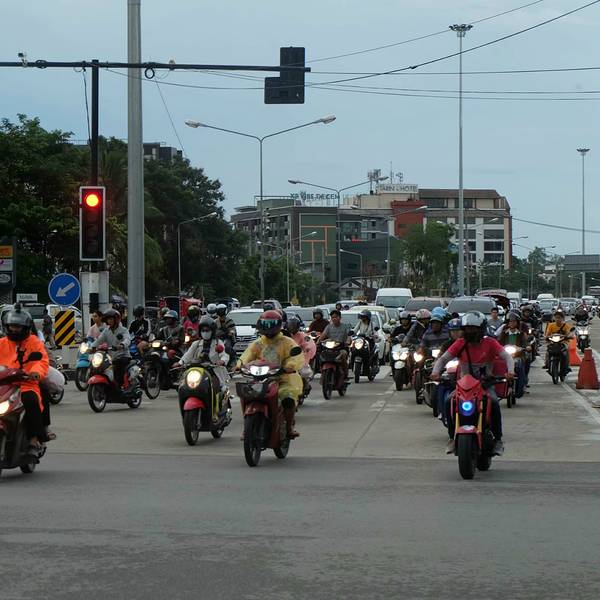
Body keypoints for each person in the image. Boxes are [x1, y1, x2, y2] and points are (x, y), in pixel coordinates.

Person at [432, 311, 514, 456]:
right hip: (463, 386)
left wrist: (511, 371)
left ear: (481, 329)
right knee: (448, 401)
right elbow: (443, 359)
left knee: (494, 402)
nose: (470, 332)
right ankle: (451, 437)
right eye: (467, 329)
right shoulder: (460, 343)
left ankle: (498, 440)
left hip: (485, 385)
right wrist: (435, 372)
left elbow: (507, 357)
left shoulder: (490, 343)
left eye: (473, 329)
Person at [237, 310, 305, 439]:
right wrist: (239, 365)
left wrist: (290, 366)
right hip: (258, 380)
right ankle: (247, 428)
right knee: (246, 395)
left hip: (282, 379)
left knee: (288, 399)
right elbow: (247, 356)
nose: (268, 327)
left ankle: (289, 427)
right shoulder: (258, 343)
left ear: (279, 325)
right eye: (265, 324)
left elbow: (295, 356)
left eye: (272, 324)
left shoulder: (287, 342)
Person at [0, 306, 50, 455]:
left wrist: (35, 373)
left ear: (26, 327)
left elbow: (41, 361)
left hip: (26, 383)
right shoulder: (2, 343)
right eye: (12, 326)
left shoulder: (34, 342)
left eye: (18, 327)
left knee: (31, 401)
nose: (14, 330)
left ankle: (34, 439)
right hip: (4, 383)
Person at [177, 315, 230, 397]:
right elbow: (188, 355)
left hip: (213, 371)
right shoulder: (196, 343)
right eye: (203, 330)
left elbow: (224, 354)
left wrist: (222, 361)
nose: (205, 332)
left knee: (219, 389)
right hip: (197, 371)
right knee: (185, 387)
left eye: (207, 330)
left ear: (212, 331)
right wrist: (180, 363)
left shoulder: (218, 342)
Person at [91, 308, 132, 389]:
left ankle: (121, 386)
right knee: (100, 367)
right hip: (111, 357)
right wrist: (92, 347)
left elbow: (127, 340)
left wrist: (122, 345)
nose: (109, 321)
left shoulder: (123, 330)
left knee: (118, 370)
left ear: (116, 319)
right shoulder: (106, 331)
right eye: (108, 319)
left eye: (111, 319)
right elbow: (99, 340)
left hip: (123, 356)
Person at [318, 309, 353, 378]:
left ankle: (345, 373)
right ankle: (323, 372)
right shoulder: (328, 327)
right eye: (332, 317)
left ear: (340, 317)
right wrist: (317, 343)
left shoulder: (345, 326)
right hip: (330, 348)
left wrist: (347, 342)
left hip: (341, 348)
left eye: (336, 317)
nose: (334, 319)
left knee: (343, 355)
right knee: (321, 355)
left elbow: (349, 336)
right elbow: (322, 336)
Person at [287, 316, 316, 392]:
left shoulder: (303, 335)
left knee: (303, 370)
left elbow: (309, 343)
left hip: (298, 357)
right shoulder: (285, 335)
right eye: (290, 325)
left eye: (293, 325)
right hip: (286, 356)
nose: (292, 327)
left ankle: (305, 383)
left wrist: (307, 347)